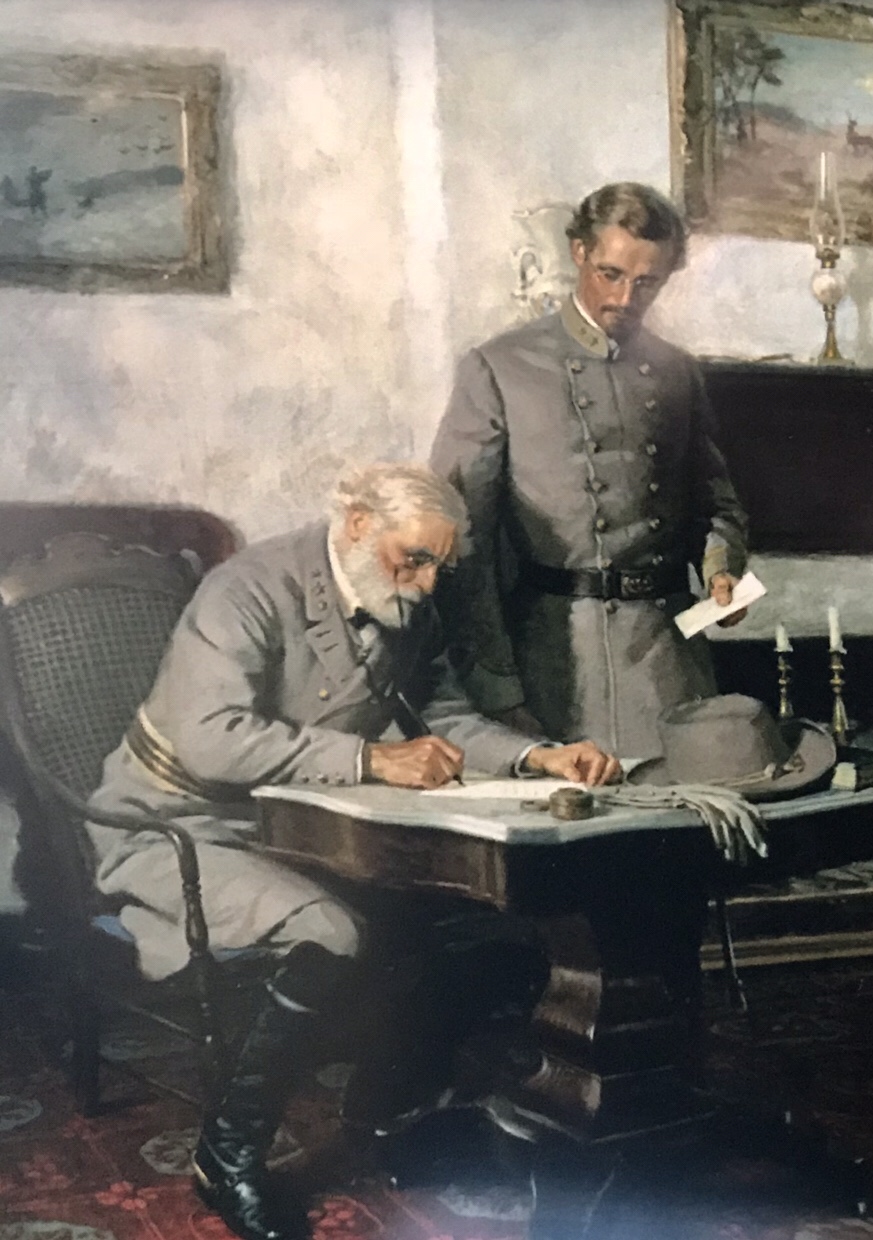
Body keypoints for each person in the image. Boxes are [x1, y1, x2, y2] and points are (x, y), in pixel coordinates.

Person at [85, 463, 618, 1240]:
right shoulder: (249, 589)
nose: (428, 584)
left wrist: (538, 756)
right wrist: (370, 760)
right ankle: (226, 1156)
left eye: (440, 567)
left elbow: (442, 717)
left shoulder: (401, 599)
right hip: (171, 825)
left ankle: (385, 1118)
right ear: (360, 525)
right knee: (330, 932)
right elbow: (210, 739)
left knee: (465, 921)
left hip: (292, 827)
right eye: (415, 559)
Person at [432, 182, 751, 761]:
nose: (626, 298)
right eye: (611, 274)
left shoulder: (676, 371)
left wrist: (720, 569)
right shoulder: (500, 367)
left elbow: (715, 503)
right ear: (579, 252)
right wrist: (497, 685)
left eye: (647, 283)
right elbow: (462, 542)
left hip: (666, 659)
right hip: (553, 662)